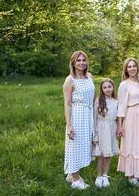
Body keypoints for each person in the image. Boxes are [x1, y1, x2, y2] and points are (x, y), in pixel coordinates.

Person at [116, 57, 139, 186]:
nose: (132, 68)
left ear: (138, 67)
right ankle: (131, 175)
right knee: (131, 144)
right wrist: (119, 126)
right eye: (129, 66)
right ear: (126, 69)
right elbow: (120, 105)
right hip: (131, 115)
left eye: (134, 66)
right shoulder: (124, 84)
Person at [63, 51, 95, 190]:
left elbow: (93, 98)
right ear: (73, 63)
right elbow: (67, 103)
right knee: (74, 146)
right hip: (77, 116)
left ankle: (72, 174)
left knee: (83, 145)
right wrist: (69, 125)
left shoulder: (90, 77)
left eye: (84, 60)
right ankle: (75, 180)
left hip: (88, 115)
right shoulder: (70, 80)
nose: (81, 63)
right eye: (78, 60)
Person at [92, 78, 119, 188]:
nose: (107, 89)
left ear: (113, 88)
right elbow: (94, 118)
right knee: (101, 155)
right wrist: (95, 134)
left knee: (108, 154)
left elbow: (118, 118)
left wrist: (118, 129)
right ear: (102, 89)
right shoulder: (98, 101)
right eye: (105, 87)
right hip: (101, 128)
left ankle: (105, 175)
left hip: (111, 129)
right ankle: (98, 176)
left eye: (109, 87)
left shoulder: (116, 101)